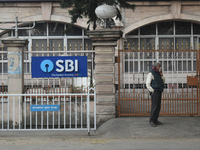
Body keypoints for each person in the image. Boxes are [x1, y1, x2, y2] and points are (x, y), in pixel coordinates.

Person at [146, 62, 165, 127]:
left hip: (159, 91)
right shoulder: (151, 73)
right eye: (159, 66)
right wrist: (152, 91)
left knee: (158, 106)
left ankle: (155, 119)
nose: (160, 68)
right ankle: (152, 120)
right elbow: (147, 84)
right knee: (154, 106)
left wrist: (162, 75)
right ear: (156, 67)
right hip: (155, 92)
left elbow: (163, 81)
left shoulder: (158, 73)